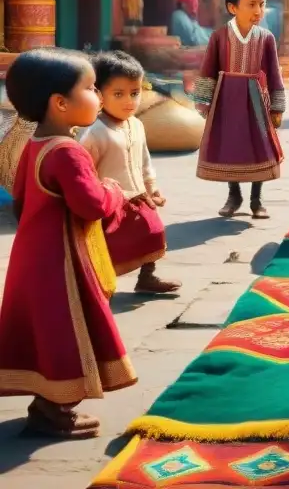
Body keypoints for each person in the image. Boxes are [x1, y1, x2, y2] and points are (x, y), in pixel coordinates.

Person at [0, 49, 136, 438]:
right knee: (67, 331)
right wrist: (113, 190)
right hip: (61, 260)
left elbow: (21, 201)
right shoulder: (68, 152)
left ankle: (47, 405)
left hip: (32, 255)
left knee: (46, 329)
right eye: (92, 88)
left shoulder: (35, 145)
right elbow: (91, 205)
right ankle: (55, 410)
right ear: (60, 103)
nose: (97, 95)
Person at [79, 51, 179, 294]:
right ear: (98, 94)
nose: (129, 101)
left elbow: (144, 159)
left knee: (153, 232)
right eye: (119, 94)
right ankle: (99, 285)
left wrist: (151, 187)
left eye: (135, 93)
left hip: (138, 196)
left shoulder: (137, 124)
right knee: (110, 246)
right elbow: (82, 170)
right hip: (108, 202)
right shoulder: (93, 131)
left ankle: (147, 276)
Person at [194, 0, 285, 219]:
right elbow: (208, 69)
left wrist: (277, 106)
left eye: (262, 5)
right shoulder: (219, 36)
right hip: (226, 100)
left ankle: (257, 199)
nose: (258, 11)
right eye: (251, 4)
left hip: (257, 98)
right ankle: (234, 195)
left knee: (259, 145)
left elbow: (274, 74)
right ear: (232, 8)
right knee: (231, 146)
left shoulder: (266, 38)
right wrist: (204, 101)